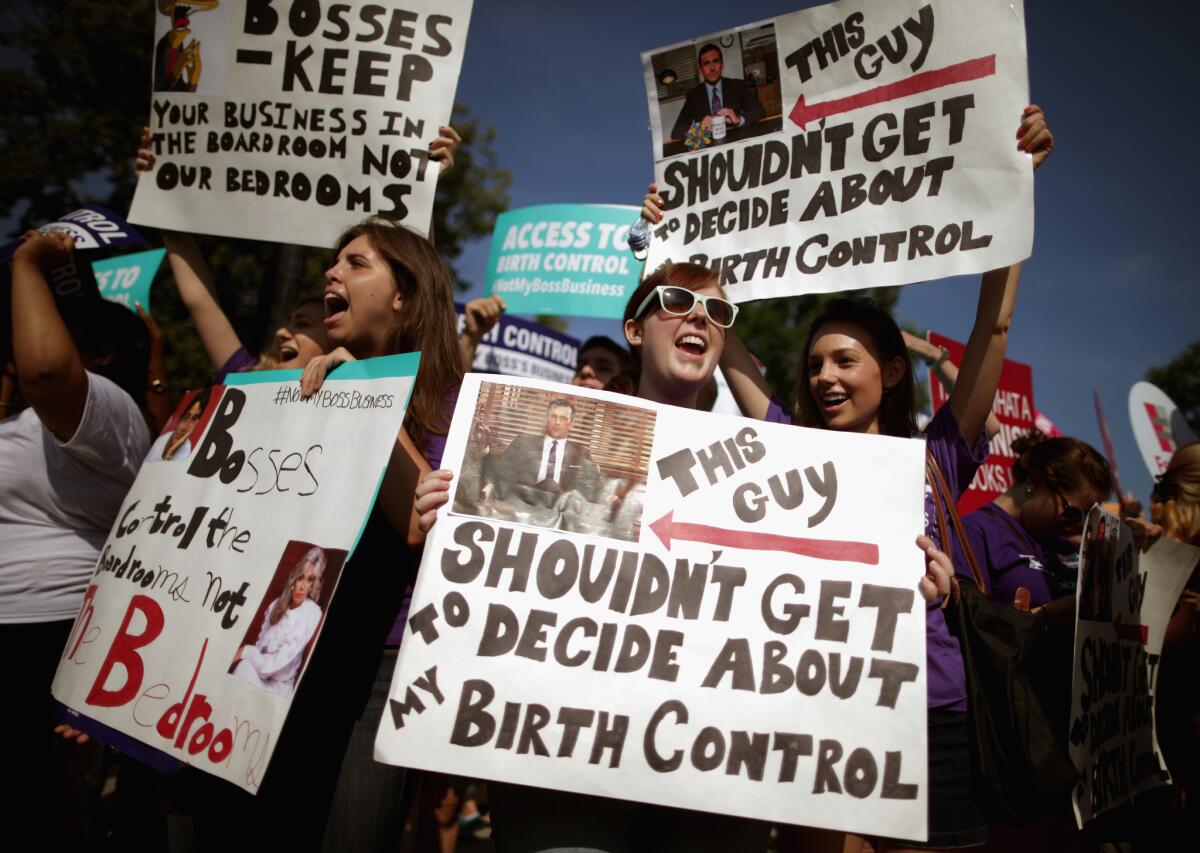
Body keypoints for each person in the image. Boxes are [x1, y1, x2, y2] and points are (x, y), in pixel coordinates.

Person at [415, 262, 954, 853]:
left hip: (713, 777)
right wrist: (447, 502)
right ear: (635, 330)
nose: (700, 316)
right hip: (563, 762)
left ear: (724, 345)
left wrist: (904, 585)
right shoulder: (560, 429)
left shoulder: (782, 461)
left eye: (718, 313)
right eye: (676, 302)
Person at [645, 103, 1052, 851]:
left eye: (845, 361)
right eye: (813, 365)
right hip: (817, 716)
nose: (824, 377)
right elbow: (723, 337)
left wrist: (1013, 194)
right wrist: (678, 234)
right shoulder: (790, 442)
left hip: (934, 714)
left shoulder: (937, 455)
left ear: (893, 371)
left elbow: (994, 325)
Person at [186, 215, 464, 853]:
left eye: (356, 263)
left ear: (404, 295)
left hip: (380, 671)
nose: (332, 273)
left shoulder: (457, 403)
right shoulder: (298, 393)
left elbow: (421, 527)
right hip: (283, 661)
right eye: (331, 264)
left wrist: (366, 394)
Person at [3, 229, 152, 848]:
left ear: (102, 354)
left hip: (44, 637)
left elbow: (44, 367)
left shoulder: (110, 410)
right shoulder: (20, 423)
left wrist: (29, 264)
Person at [134, 125, 460, 380]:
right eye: (290, 321)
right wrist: (163, 200)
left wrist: (422, 187)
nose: (281, 332)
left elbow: (416, 281)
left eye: (303, 323)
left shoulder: (376, 382)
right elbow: (201, 301)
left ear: (334, 345)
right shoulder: (247, 382)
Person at [232, 547, 327, 696]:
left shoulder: (311, 613)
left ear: (312, 586)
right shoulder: (277, 604)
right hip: (261, 674)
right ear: (293, 580)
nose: (302, 586)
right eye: (300, 578)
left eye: (309, 580)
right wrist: (250, 656)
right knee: (243, 668)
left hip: (279, 687)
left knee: (246, 662)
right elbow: (260, 648)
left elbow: (276, 667)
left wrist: (246, 651)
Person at [479, 397, 603, 505]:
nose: (557, 422)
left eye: (563, 418)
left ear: (571, 424)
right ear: (547, 419)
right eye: (553, 416)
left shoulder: (580, 452)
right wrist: (484, 448)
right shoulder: (523, 442)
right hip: (523, 505)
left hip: (559, 511)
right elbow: (500, 473)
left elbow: (594, 489)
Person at [669, 42, 765, 143]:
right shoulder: (693, 96)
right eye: (706, 63)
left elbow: (760, 111)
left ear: (722, 65)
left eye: (716, 61)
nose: (712, 68)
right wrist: (699, 127)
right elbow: (676, 133)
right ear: (701, 70)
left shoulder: (738, 86)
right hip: (708, 150)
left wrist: (738, 119)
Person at [147, 386, 212, 462]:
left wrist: (170, 452)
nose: (183, 427)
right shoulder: (163, 439)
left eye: (194, 419)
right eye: (185, 418)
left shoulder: (188, 450)